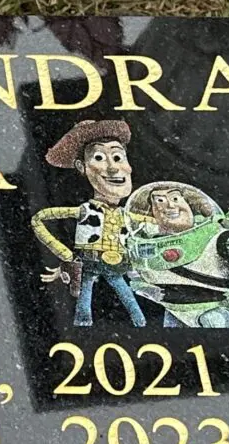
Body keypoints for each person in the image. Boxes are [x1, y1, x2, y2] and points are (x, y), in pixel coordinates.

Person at [126, 181, 229, 328]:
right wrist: (149, 290)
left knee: (213, 323)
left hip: (216, 310)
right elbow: (137, 278)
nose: (169, 206)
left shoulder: (221, 238)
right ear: (153, 212)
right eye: (159, 201)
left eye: (175, 199)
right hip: (176, 309)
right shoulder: (143, 245)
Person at [31, 119, 148, 327]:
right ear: (81, 167)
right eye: (99, 157)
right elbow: (39, 218)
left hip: (117, 264)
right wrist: (65, 255)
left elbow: (152, 224)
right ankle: (85, 326)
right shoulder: (85, 210)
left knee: (130, 301)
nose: (113, 168)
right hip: (90, 263)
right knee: (85, 302)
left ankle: (140, 324)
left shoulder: (127, 215)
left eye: (118, 156)